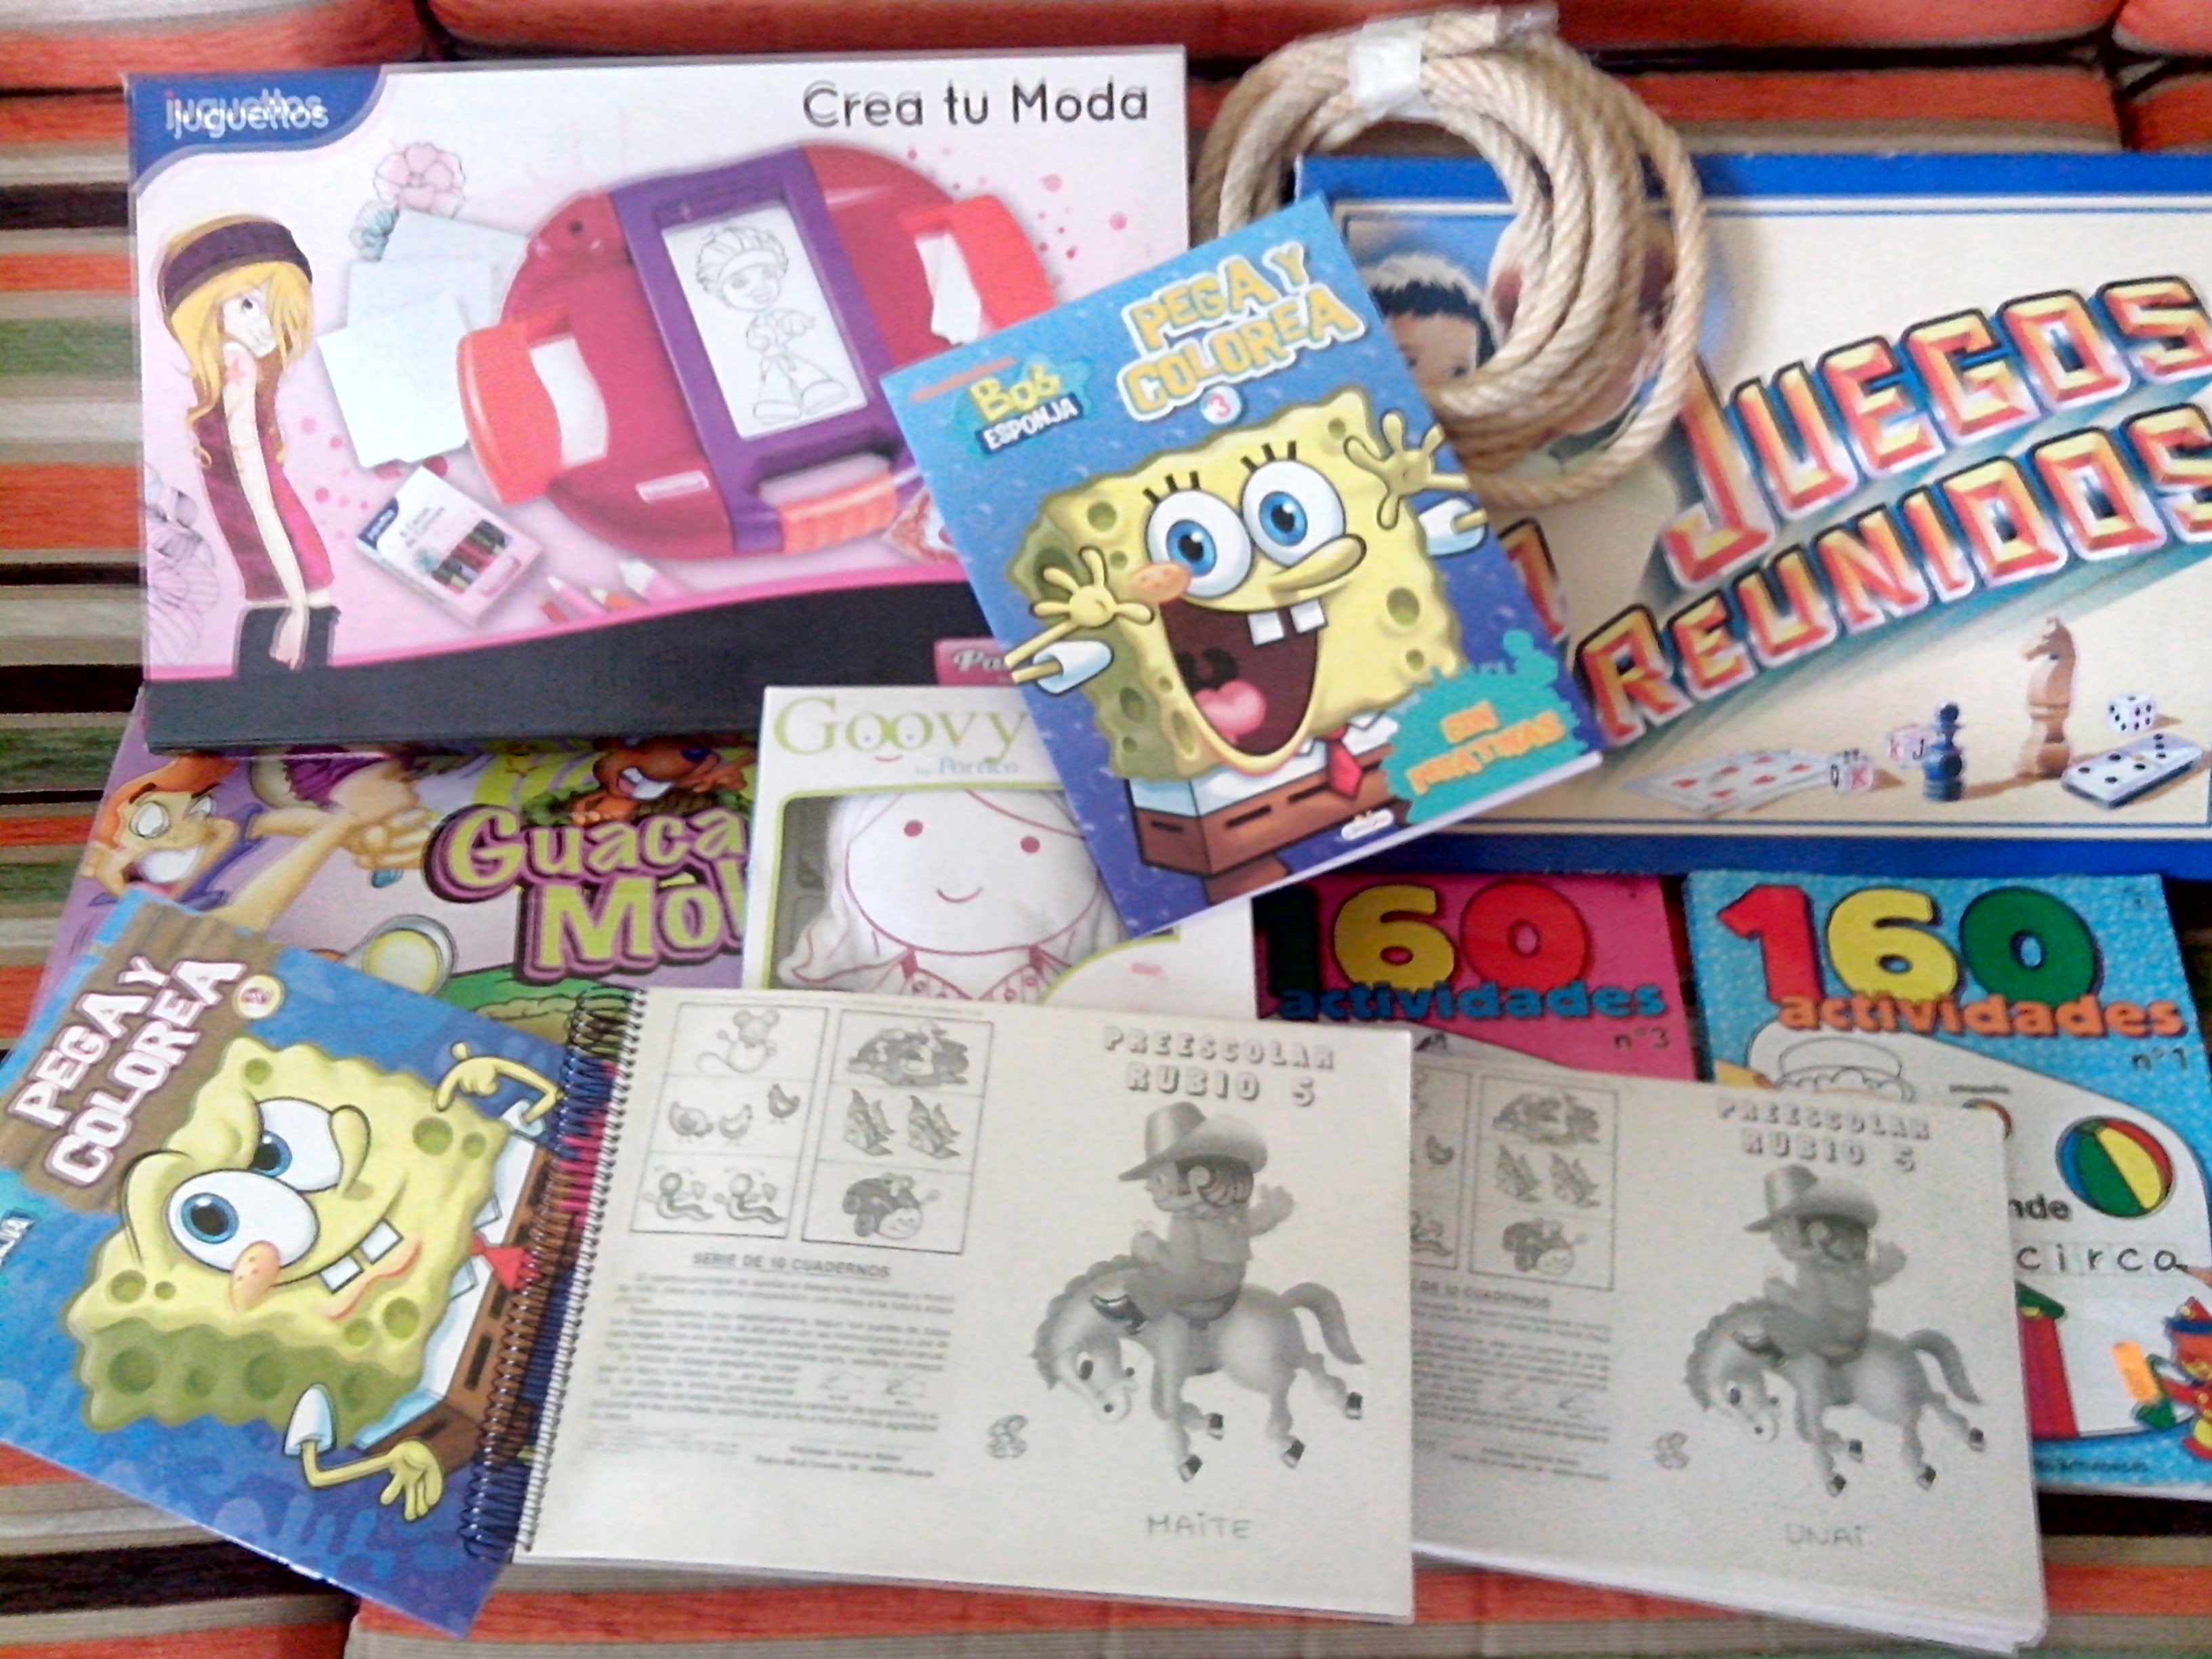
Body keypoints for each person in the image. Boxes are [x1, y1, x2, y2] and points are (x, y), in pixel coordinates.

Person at [157, 217, 337, 675]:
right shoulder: (231, 368)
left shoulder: (237, 366)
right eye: (247, 305)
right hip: (280, 571)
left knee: (279, 697)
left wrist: (297, 608)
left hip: (286, 570)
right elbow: (254, 497)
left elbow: (260, 496)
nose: (265, 328)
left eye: (273, 309)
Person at [1090, 1103, 1292, 1335]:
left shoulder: (1185, 1221)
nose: (1148, 1187)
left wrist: (1151, 1249)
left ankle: (1134, 1314)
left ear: (1198, 1179)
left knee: (1148, 1280)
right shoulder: (1226, 1213)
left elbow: (1182, 1268)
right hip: (1230, 1280)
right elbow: (1251, 1225)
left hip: (1200, 1284)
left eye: (1158, 1179)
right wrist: (1271, 1213)